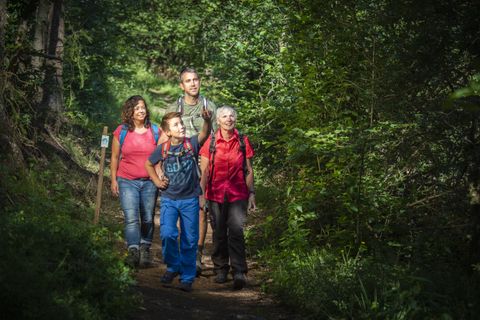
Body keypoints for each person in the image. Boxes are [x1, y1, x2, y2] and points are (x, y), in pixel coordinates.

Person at [145, 110, 212, 292]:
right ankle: (173, 266)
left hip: (190, 199)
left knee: (190, 240)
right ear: (168, 132)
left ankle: (187, 277)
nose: (181, 127)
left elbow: (205, 134)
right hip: (169, 199)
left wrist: (207, 120)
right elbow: (149, 164)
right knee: (167, 234)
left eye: (181, 123)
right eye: (176, 125)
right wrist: (157, 181)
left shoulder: (191, 144)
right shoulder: (163, 148)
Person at [166, 67, 217, 276]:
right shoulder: (175, 107)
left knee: (201, 209)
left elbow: (215, 136)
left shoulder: (209, 106)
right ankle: (182, 253)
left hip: (204, 161)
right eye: (188, 81)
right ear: (182, 85)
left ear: (200, 82)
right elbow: (166, 136)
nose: (193, 84)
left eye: (196, 80)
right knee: (180, 208)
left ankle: (196, 254)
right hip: (180, 163)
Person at [199, 106, 256, 290]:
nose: (228, 119)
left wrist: (252, 193)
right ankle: (221, 269)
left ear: (235, 119)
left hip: (238, 193)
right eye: (224, 116)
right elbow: (205, 171)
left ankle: (239, 271)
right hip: (215, 193)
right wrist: (202, 195)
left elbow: (248, 170)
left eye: (232, 115)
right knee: (219, 232)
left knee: (237, 231)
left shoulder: (242, 140)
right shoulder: (211, 141)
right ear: (218, 120)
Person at [110, 95, 166, 268]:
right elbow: (114, 157)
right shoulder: (122, 131)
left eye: (143, 107)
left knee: (148, 218)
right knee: (131, 217)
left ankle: (145, 248)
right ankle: (133, 250)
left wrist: (160, 173)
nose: (141, 111)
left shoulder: (156, 131)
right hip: (126, 180)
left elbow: (164, 155)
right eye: (137, 108)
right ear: (130, 112)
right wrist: (113, 179)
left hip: (149, 182)